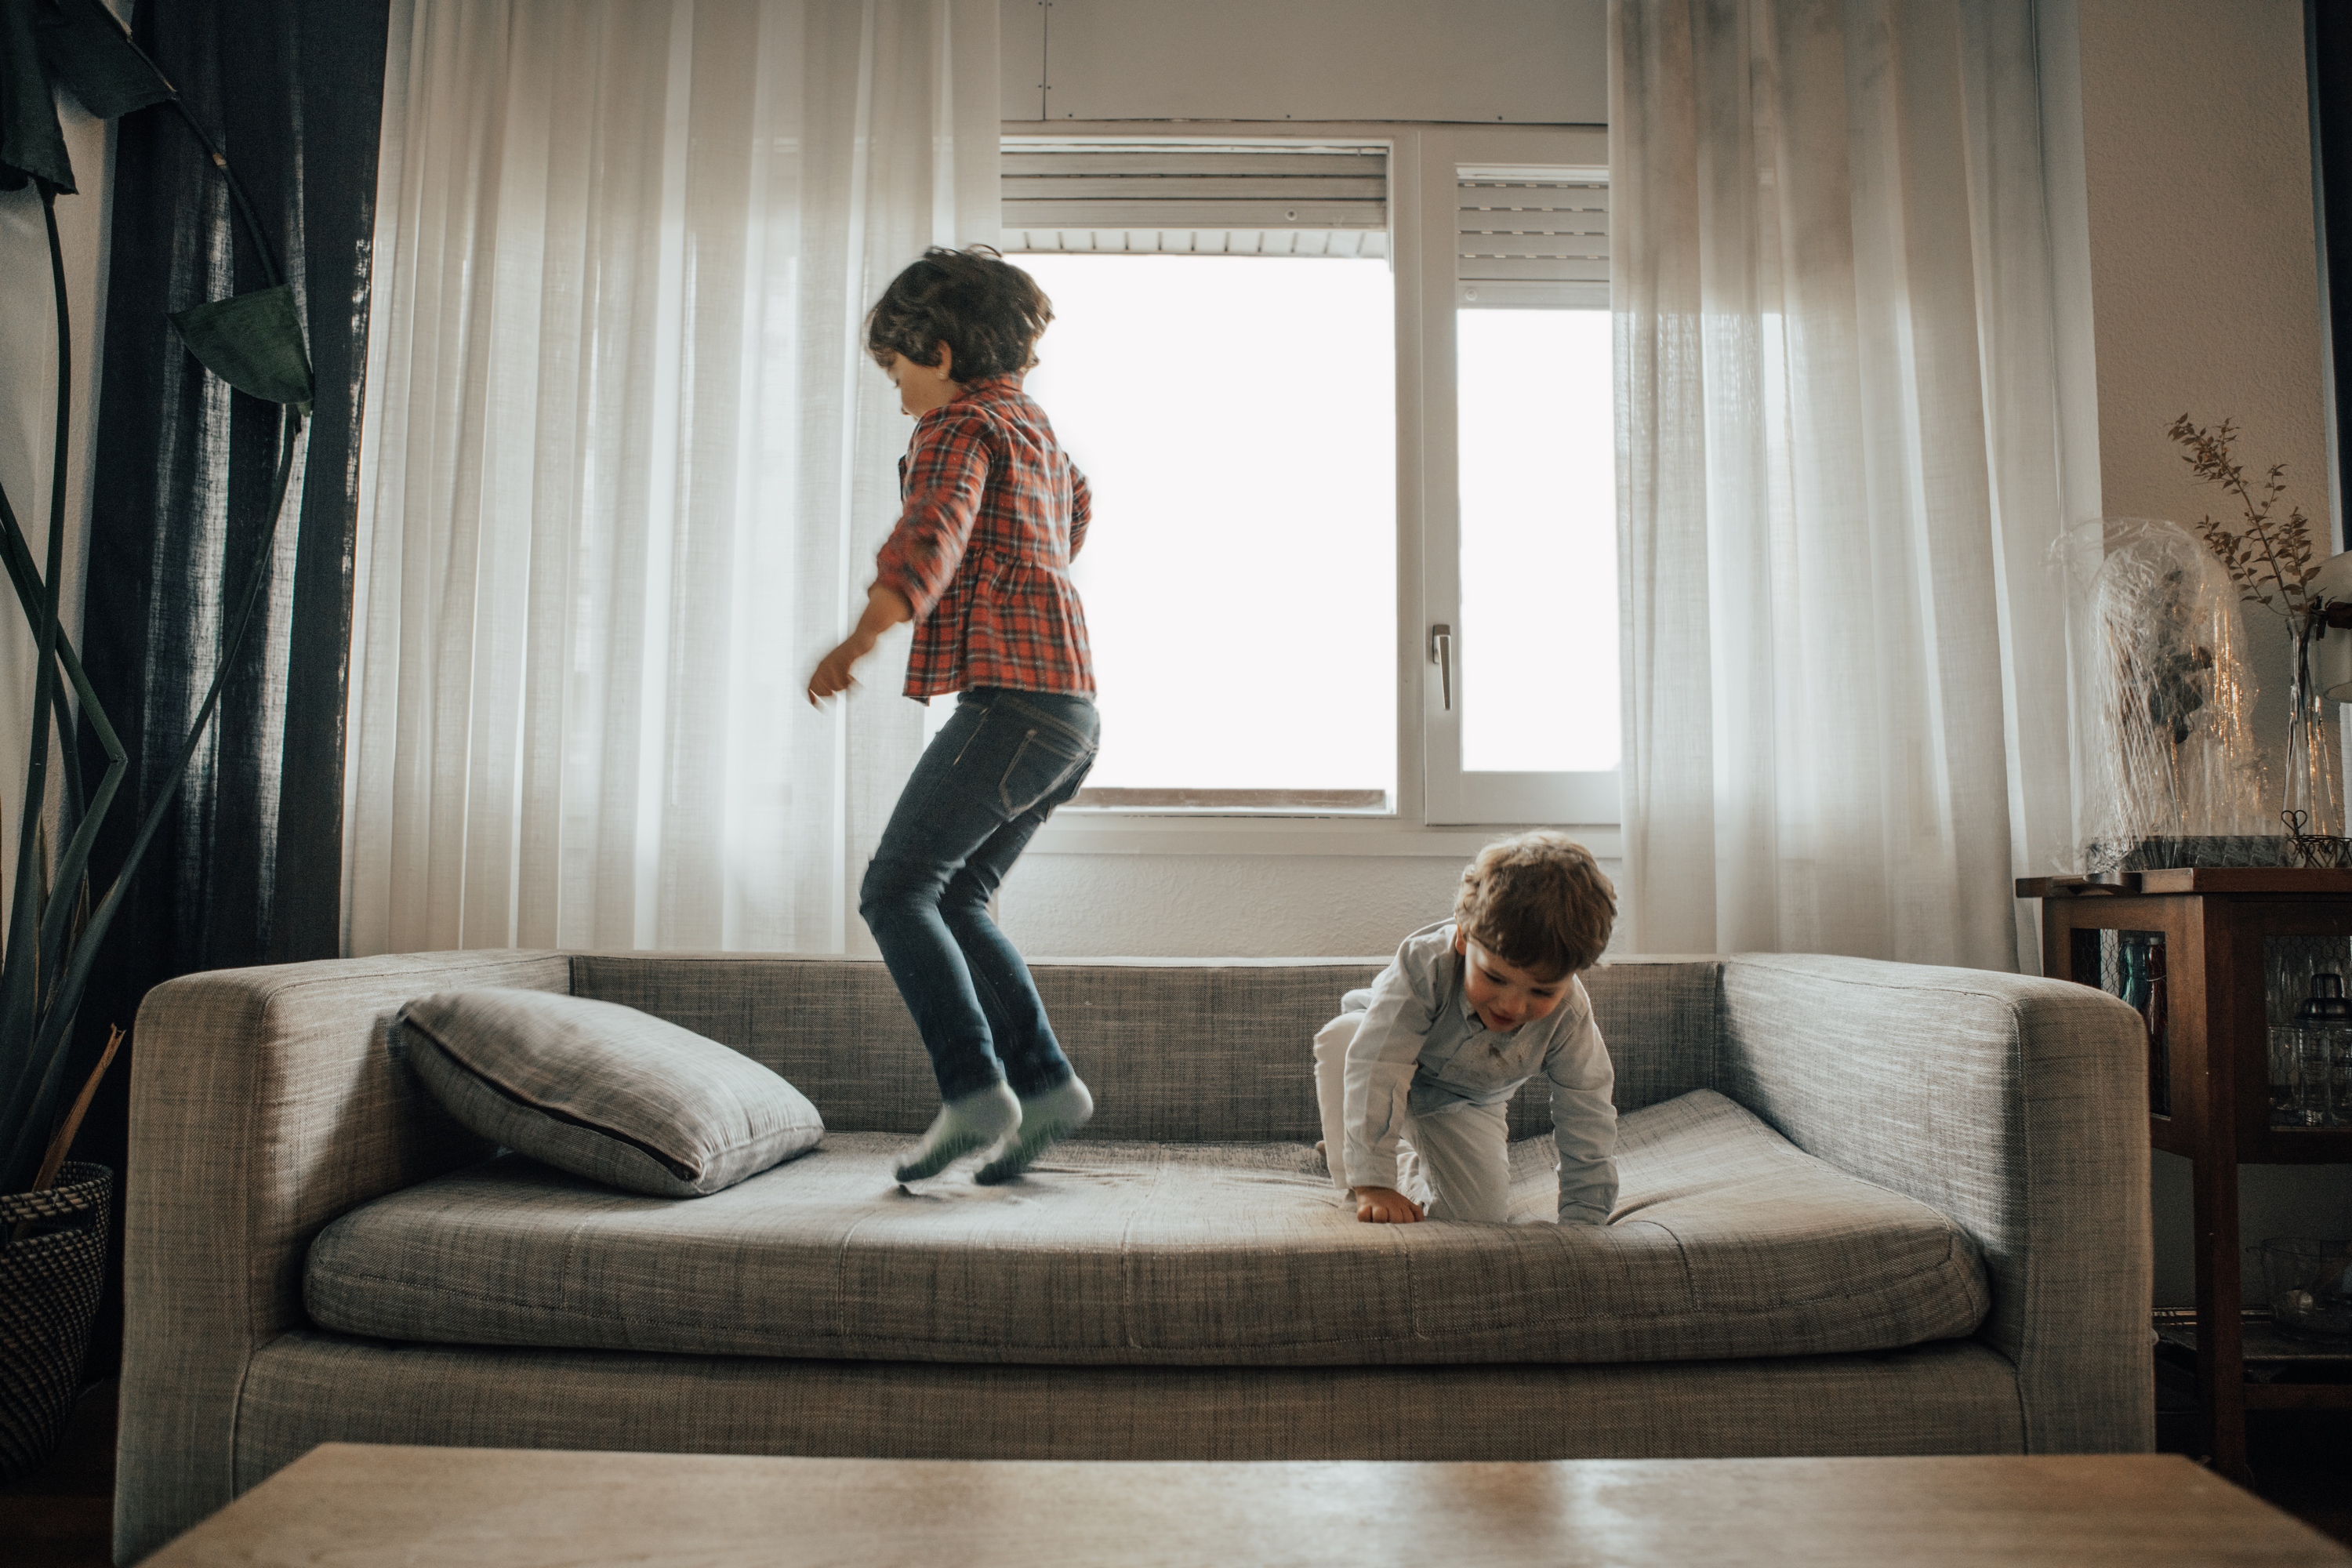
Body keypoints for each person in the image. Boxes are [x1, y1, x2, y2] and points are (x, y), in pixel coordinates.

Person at [806, 245, 1098, 1187]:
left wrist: (861, 637)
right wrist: (1027, 565)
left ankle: (976, 1091)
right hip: (1071, 711)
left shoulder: (958, 426)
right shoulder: (1034, 426)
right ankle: (1047, 1085)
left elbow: (931, 527)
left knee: (895, 891)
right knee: (958, 897)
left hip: (1015, 701)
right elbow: (1078, 504)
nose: (898, 399)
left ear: (936, 349)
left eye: (898, 374)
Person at [1314, 832, 1618, 1226]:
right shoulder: (1425, 964)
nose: (1512, 1005)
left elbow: (1587, 1110)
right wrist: (1372, 1181)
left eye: (1541, 990)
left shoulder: (1570, 1017)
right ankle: (1358, 1166)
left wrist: (1585, 1215)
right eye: (1494, 977)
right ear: (1463, 935)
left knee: (1478, 1221)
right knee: (1345, 1036)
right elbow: (1378, 1064)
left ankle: (1404, 1157)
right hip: (1377, 1064)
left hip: (1465, 1099)